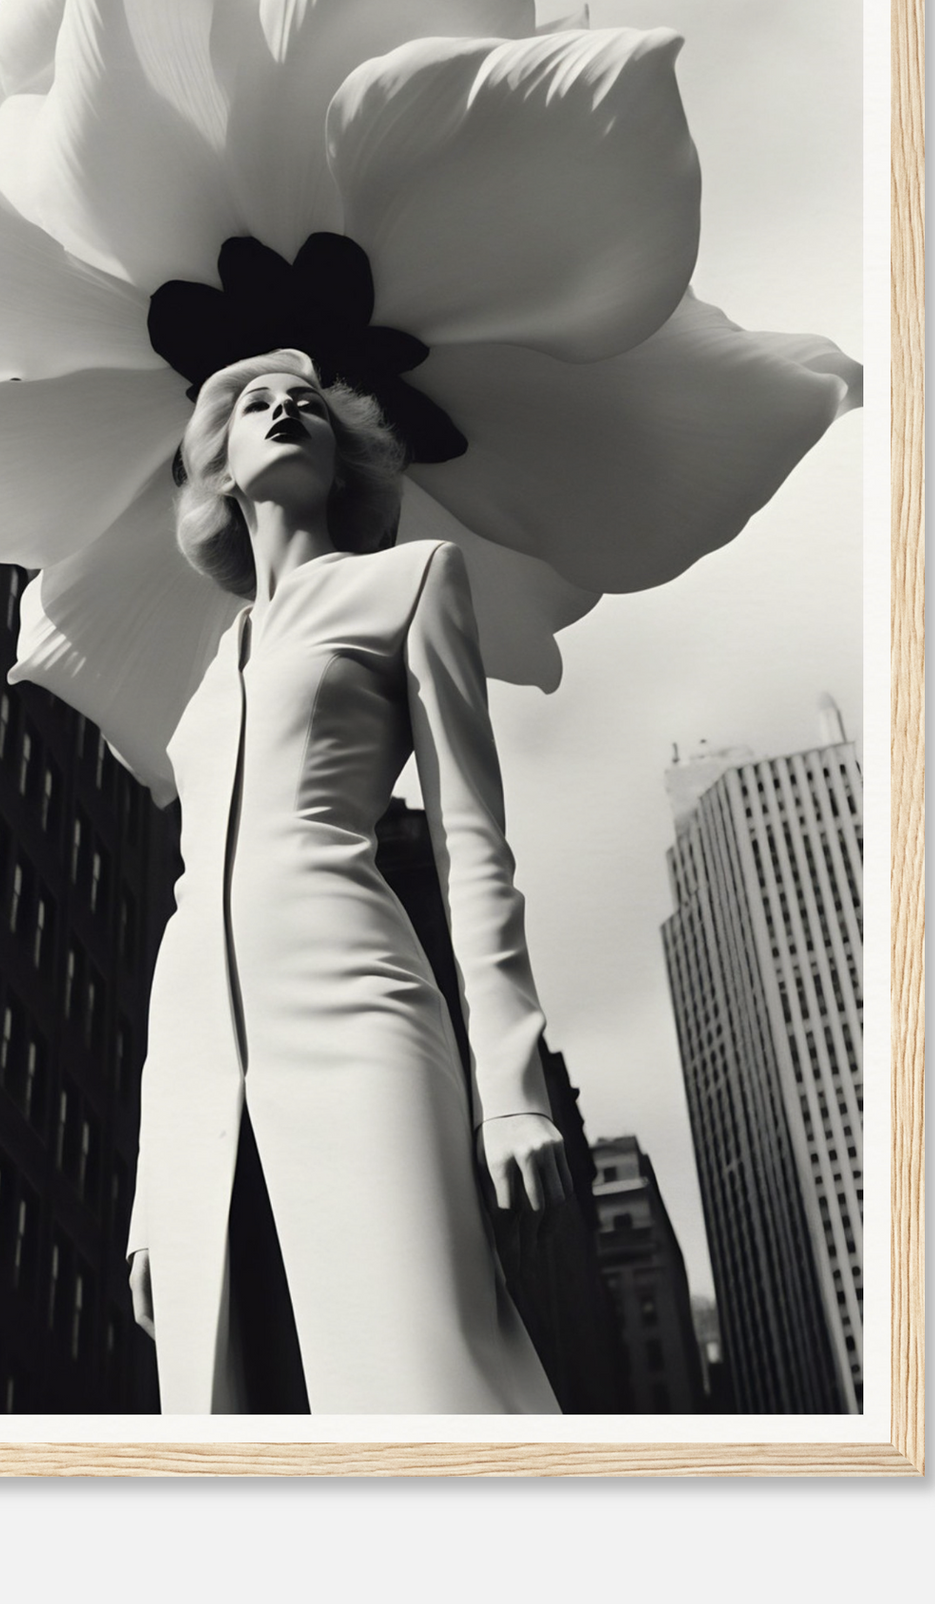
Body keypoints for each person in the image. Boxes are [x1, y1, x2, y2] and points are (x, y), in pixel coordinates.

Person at [123, 346, 573, 1414]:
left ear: (341, 462)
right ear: (220, 470)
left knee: (424, 1367)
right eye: (255, 405)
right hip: (196, 1062)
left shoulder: (410, 580)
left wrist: (510, 1086)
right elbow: (191, 906)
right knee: (234, 1401)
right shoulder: (206, 672)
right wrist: (152, 1183)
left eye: (309, 407)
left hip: (358, 1007)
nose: (284, 409)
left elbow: (472, 838)